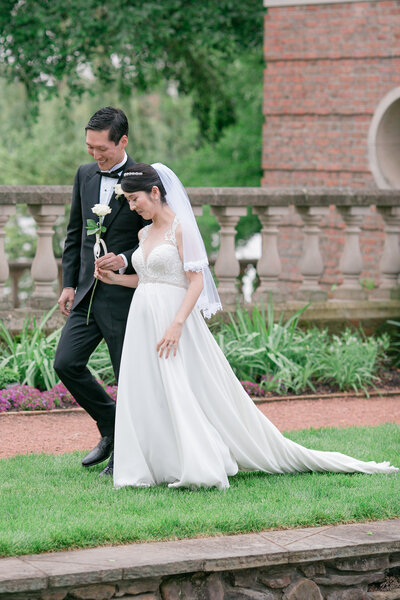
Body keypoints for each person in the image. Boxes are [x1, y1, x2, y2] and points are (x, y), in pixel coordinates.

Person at [96, 163, 398, 489]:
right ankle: (160, 462)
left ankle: (199, 461)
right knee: (150, 389)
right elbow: (148, 278)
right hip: (143, 319)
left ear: (155, 192)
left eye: (134, 199)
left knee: (180, 387)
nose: (131, 206)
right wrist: (115, 278)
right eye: (127, 201)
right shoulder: (144, 233)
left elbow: (195, 282)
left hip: (173, 319)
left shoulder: (181, 229)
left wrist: (177, 324)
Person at [54, 107, 147, 477]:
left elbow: (157, 239)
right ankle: (111, 428)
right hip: (86, 294)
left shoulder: (143, 178)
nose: (94, 155)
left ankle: (129, 450)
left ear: (122, 141)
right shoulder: (85, 174)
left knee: (128, 375)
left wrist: (122, 259)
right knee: (66, 363)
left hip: (124, 296)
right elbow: (75, 233)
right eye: (89, 147)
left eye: (101, 148)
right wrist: (68, 283)